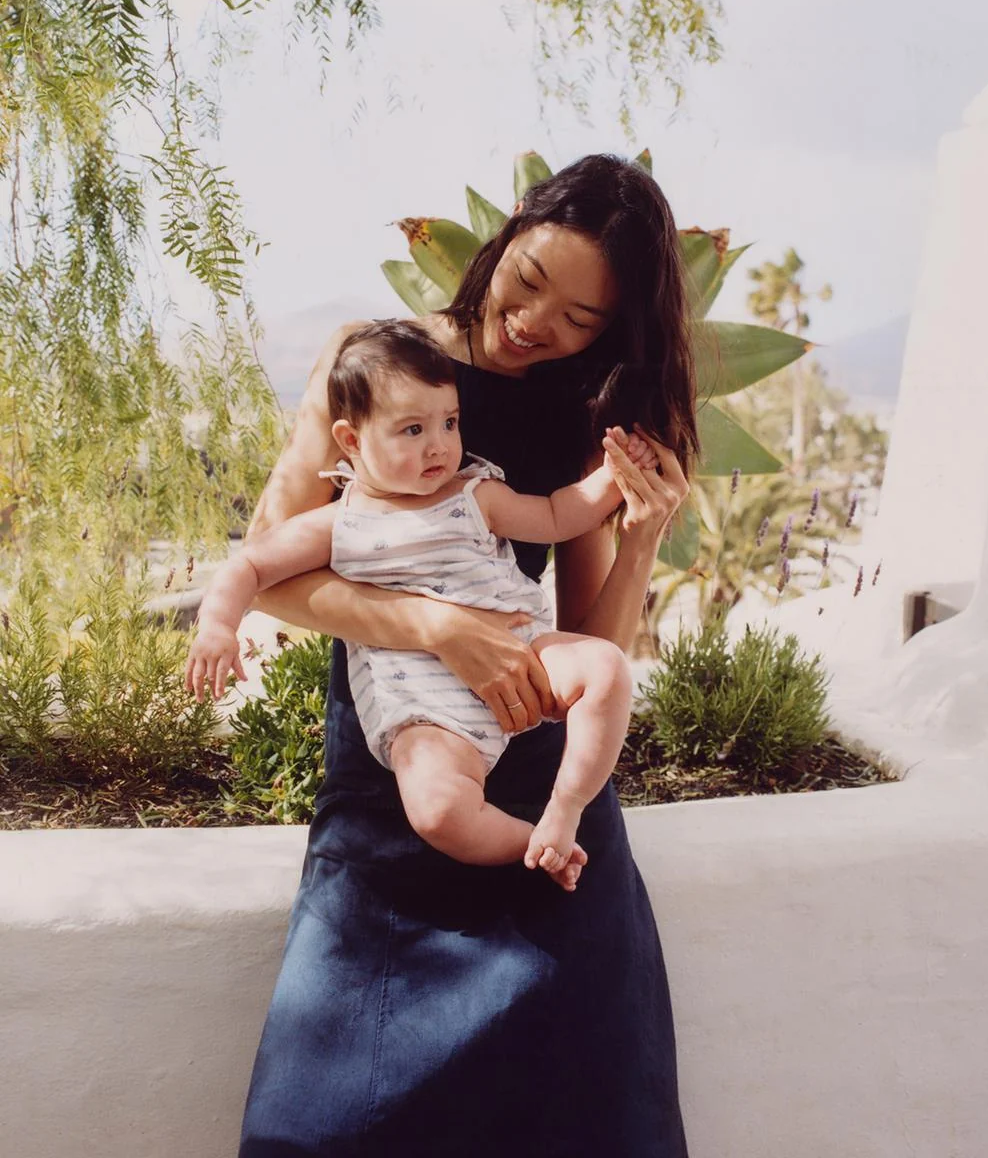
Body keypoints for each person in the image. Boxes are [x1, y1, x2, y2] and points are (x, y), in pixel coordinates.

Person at [210, 154, 698, 1158]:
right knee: (325, 1119)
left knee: (585, 1112)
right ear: (510, 226)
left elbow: (589, 648)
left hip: (541, 807)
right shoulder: (374, 364)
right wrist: (436, 627)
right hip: (400, 772)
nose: (536, 327)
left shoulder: (578, 413)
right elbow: (276, 568)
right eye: (529, 284)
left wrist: (642, 534)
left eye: (580, 320)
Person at [188, 319, 658, 890]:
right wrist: (217, 624)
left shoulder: (475, 494)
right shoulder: (341, 524)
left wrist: (614, 477)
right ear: (352, 441)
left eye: (449, 423)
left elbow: (560, 515)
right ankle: (532, 846)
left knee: (606, 667)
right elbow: (251, 564)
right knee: (438, 810)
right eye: (412, 429)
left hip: (523, 655)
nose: (438, 444)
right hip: (424, 709)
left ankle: (566, 808)